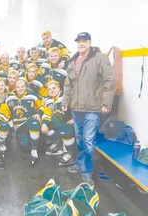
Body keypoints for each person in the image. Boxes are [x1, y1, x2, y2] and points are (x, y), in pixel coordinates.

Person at [62, 32, 116, 185]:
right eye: (79, 41)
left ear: (90, 42)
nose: (81, 43)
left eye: (84, 41)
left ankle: (87, 171)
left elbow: (110, 81)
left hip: (92, 108)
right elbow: (68, 84)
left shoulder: (100, 58)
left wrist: (106, 103)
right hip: (76, 108)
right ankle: (80, 163)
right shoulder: (73, 61)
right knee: (79, 138)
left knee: (88, 141)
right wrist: (66, 101)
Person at [0, 79, 44, 164]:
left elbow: (42, 106)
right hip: (16, 126)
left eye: (22, 86)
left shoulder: (32, 97)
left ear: (26, 87)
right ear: (15, 88)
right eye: (18, 87)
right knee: (24, 145)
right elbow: (3, 112)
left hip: (26, 124)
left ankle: (34, 150)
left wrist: (39, 113)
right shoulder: (9, 99)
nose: (20, 89)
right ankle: (2, 146)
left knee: (34, 123)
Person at [41, 80, 76, 166]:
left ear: (59, 88)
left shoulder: (66, 97)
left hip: (70, 124)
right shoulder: (48, 101)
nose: (52, 90)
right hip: (60, 124)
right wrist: (44, 124)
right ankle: (58, 144)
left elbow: (78, 107)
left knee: (65, 129)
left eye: (54, 88)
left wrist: (75, 119)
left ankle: (71, 154)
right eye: (49, 89)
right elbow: (46, 114)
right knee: (45, 125)